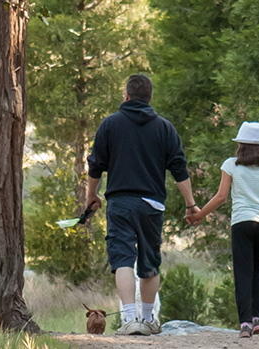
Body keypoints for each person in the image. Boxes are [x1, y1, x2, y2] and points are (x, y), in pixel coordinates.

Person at [85, 74, 198, 336]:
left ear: (126, 96)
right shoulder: (165, 127)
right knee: (150, 261)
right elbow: (179, 168)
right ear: (150, 98)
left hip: (120, 202)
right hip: (152, 204)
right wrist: (191, 204)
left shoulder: (110, 125)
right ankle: (148, 320)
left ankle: (128, 320)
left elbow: (96, 164)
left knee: (123, 258)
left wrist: (92, 195)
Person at [186, 121, 259, 338]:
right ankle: (258, 319)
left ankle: (245, 324)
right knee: (258, 272)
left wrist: (200, 215)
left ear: (240, 143)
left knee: (243, 273)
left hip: (241, 223)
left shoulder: (231, 164)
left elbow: (221, 197)